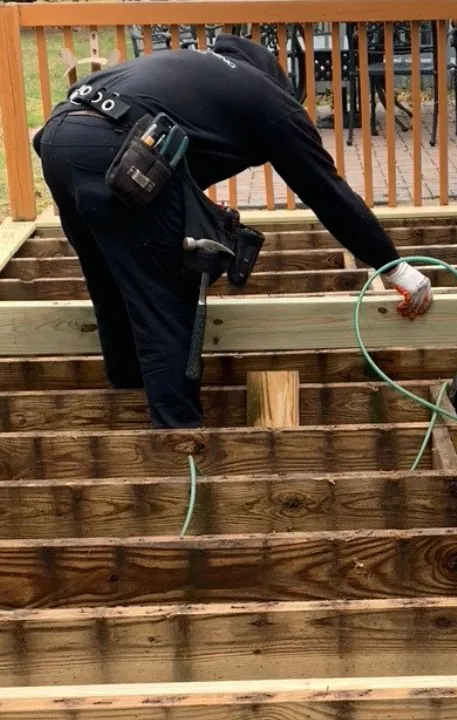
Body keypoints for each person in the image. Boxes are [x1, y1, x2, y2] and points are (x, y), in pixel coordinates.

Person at [33, 35, 432, 429]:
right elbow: (326, 191)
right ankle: (178, 440)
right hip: (119, 147)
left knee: (111, 280)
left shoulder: (192, 69)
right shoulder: (267, 99)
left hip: (58, 138)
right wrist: (393, 266)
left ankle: (127, 396)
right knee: (166, 301)